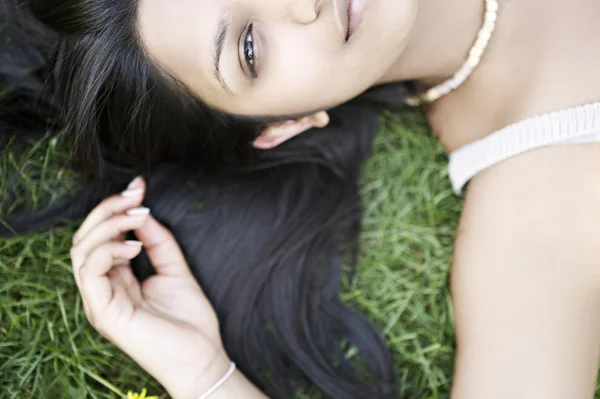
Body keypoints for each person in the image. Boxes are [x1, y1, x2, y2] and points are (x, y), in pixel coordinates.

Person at [3, 0, 600, 398]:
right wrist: (207, 377)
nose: (301, 3)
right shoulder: (536, 216)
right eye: (250, 49)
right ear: (282, 125)